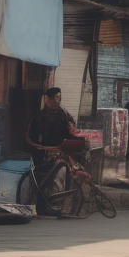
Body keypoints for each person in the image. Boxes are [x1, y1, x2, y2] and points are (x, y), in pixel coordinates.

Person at [26, 87, 77, 216]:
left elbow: (72, 134)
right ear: (47, 99)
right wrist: (42, 151)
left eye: (60, 98)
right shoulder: (38, 118)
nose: (59, 101)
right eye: (56, 98)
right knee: (43, 181)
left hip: (61, 154)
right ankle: (43, 207)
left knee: (65, 174)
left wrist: (72, 132)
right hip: (43, 155)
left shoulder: (64, 116)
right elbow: (32, 141)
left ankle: (60, 206)